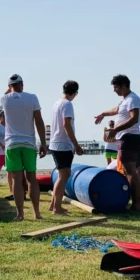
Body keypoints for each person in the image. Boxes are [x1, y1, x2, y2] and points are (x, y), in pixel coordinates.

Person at [0, 74, 47, 221]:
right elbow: (39, 121)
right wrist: (43, 143)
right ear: (22, 84)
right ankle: (37, 213)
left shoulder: (4, 99)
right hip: (29, 144)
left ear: (9, 86)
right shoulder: (32, 98)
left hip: (12, 144)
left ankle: (20, 214)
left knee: (17, 179)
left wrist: (7, 91)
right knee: (32, 178)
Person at [94, 74, 140, 211]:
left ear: (123, 85)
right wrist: (103, 114)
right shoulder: (125, 100)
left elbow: (134, 119)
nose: (114, 90)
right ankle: (139, 203)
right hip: (126, 137)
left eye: (115, 87)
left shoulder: (133, 99)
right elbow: (115, 110)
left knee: (130, 171)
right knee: (130, 170)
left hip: (129, 137)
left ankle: (136, 204)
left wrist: (116, 130)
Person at [49, 80, 84, 215]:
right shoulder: (67, 104)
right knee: (63, 176)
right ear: (75, 93)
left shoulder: (57, 103)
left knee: (63, 175)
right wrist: (76, 145)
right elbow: (66, 125)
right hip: (62, 144)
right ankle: (56, 208)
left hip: (56, 143)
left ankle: (53, 205)